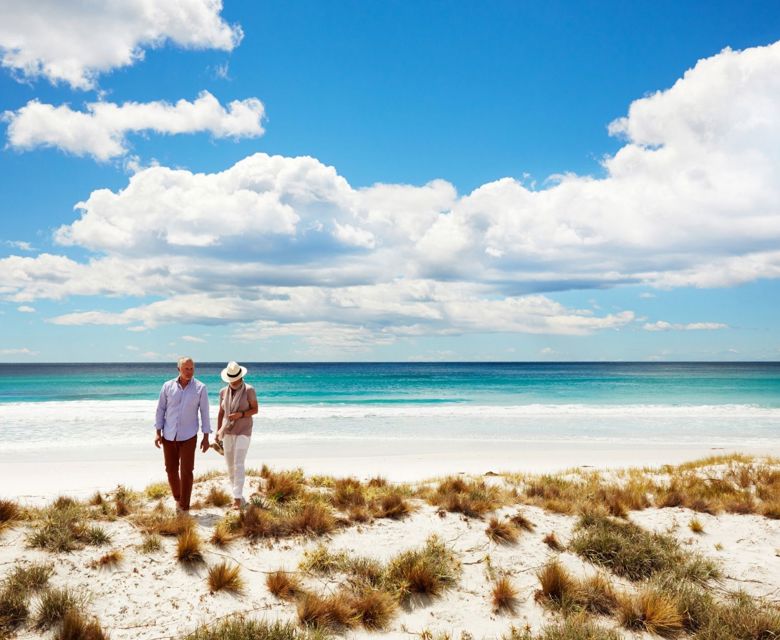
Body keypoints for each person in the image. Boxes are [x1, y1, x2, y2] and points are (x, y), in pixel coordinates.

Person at [154, 357, 211, 512]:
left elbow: (205, 412)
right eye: (186, 368)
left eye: (192, 368)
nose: (189, 372)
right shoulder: (167, 386)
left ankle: (184, 506)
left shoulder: (200, 388)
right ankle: (178, 498)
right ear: (178, 369)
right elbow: (161, 410)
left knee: (186, 471)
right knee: (170, 470)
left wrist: (206, 437)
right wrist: (158, 432)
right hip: (169, 435)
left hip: (189, 436)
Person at [215, 361, 258, 509]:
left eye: (235, 378)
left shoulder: (249, 390)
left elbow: (255, 410)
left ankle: (237, 498)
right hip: (227, 431)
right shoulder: (223, 392)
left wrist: (240, 415)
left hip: (244, 431)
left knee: (238, 464)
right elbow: (221, 413)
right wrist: (218, 430)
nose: (233, 381)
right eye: (231, 378)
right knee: (230, 465)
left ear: (240, 376)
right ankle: (237, 494)